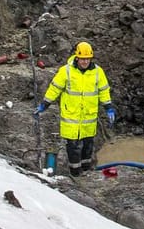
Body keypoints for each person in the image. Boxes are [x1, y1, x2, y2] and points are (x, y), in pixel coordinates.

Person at [35, 41, 115, 175]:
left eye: (87, 59)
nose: (85, 62)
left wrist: (109, 107)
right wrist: (45, 103)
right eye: (82, 59)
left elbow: (104, 91)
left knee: (88, 146)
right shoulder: (66, 71)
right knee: (73, 147)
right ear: (77, 57)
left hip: (88, 117)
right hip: (71, 117)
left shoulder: (97, 72)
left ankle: (86, 170)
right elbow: (55, 88)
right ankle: (75, 173)